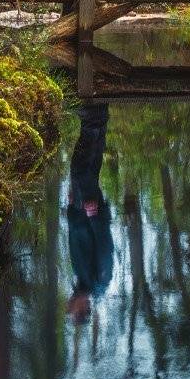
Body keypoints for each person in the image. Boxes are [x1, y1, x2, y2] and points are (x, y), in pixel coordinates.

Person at [65, 103, 113, 323]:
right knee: (81, 169)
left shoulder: (82, 281)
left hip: (80, 211)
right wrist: (94, 216)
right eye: (72, 308)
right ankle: (92, 120)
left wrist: (72, 210)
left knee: (88, 169)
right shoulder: (99, 282)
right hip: (90, 212)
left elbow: (75, 239)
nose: (69, 303)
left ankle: (98, 116)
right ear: (83, 308)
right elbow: (104, 245)